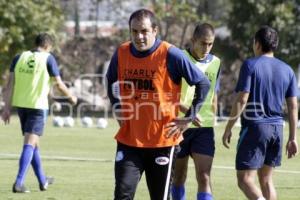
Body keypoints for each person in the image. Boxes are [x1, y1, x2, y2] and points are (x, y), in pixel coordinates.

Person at [106, 9, 210, 200]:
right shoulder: (121, 52)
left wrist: (188, 117)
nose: (139, 36)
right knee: (122, 195)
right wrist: (117, 106)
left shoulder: (171, 54)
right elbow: (110, 79)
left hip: (162, 142)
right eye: (134, 31)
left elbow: (203, 83)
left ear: (155, 30)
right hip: (129, 140)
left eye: (144, 31)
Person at [222, 26, 298, 200]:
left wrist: (228, 127)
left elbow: (242, 99)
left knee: (245, 180)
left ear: (257, 44)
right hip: (277, 129)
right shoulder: (287, 70)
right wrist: (293, 138)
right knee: (266, 180)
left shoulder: (250, 65)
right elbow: (293, 106)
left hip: (256, 128)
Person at [1, 33, 77, 193]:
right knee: (29, 144)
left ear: (35, 44)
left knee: (34, 144)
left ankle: (43, 180)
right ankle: (19, 182)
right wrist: (71, 98)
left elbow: (9, 85)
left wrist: (6, 107)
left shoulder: (19, 57)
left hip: (21, 106)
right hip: (37, 107)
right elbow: (60, 85)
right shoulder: (48, 58)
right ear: (49, 46)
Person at [172, 23, 221, 200]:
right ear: (193, 40)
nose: (206, 48)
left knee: (204, 176)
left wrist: (214, 116)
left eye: (210, 44)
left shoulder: (216, 63)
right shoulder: (179, 59)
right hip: (179, 125)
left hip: (204, 127)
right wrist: (189, 112)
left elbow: (213, 92)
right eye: (202, 43)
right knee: (178, 178)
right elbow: (167, 95)